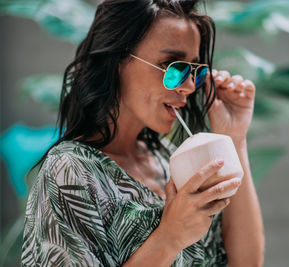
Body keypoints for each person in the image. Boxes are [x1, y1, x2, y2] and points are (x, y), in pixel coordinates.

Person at [21, 0, 265, 266]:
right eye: (173, 66)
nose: (187, 87)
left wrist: (234, 137)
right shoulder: (70, 170)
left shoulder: (170, 159)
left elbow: (247, 262)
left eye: (195, 70)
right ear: (117, 60)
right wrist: (170, 237)